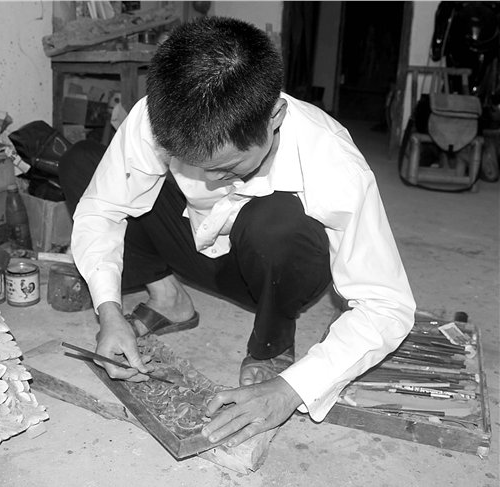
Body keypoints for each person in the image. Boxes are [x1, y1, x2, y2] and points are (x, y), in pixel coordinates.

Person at [62, 16, 416, 449]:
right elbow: (102, 209)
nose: (211, 180)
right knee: (83, 163)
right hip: (193, 240)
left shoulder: (332, 161)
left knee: (277, 222)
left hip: (271, 269)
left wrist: (292, 389)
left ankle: (273, 342)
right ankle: (167, 297)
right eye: (196, 165)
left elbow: (387, 306)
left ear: (275, 117)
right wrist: (109, 311)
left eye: (228, 167)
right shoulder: (158, 115)